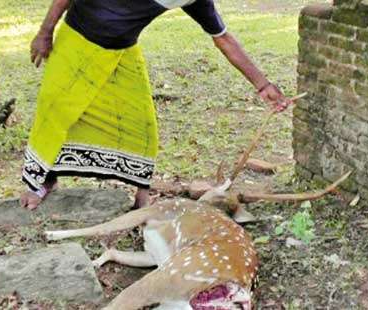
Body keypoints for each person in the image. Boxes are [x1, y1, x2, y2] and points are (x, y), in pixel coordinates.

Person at [20, 0, 292, 210]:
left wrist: (263, 85)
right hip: (77, 41)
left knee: (142, 125)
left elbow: (223, 39)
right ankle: (39, 181)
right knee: (56, 112)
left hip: (121, 53)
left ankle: (141, 199)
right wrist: (45, 31)